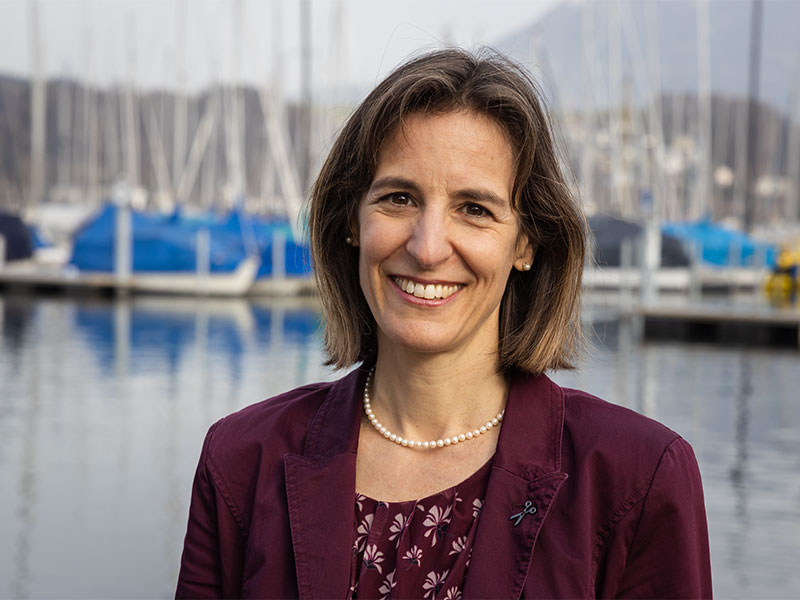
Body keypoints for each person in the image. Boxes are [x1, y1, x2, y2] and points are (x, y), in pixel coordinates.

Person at [176, 48, 712, 599]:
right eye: (399, 198)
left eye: (474, 208)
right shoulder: (241, 459)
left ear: (526, 242)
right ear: (351, 222)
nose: (427, 247)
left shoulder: (638, 478)